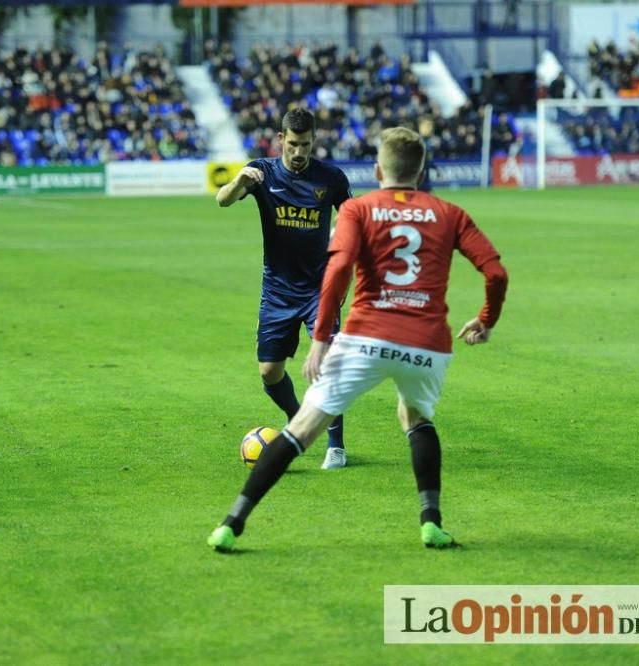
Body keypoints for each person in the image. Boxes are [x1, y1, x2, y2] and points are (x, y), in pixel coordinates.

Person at [208, 127, 509, 552]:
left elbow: (338, 269)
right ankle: (431, 523)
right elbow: (496, 273)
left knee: (301, 429)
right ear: (421, 170)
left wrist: (321, 339)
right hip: (426, 342)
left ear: (377, 169)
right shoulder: (450, 213)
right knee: (417, 419)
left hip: (368, 335)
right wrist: (485, 319)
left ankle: (231, 524)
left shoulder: (360, 210)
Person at [215, 107, 353, 469]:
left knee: (328, 366)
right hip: (276, 290)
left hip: (318, 290)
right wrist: (238, 181)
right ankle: (300, 422)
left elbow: (353, 221)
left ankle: (335, 446)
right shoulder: (263, 173)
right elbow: (222, 200)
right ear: (281, 140)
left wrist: (345, 270)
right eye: (292, 144)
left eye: (305, 144)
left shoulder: (331, 178)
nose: (298, 152)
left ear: (313, 141)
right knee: (269, 372)